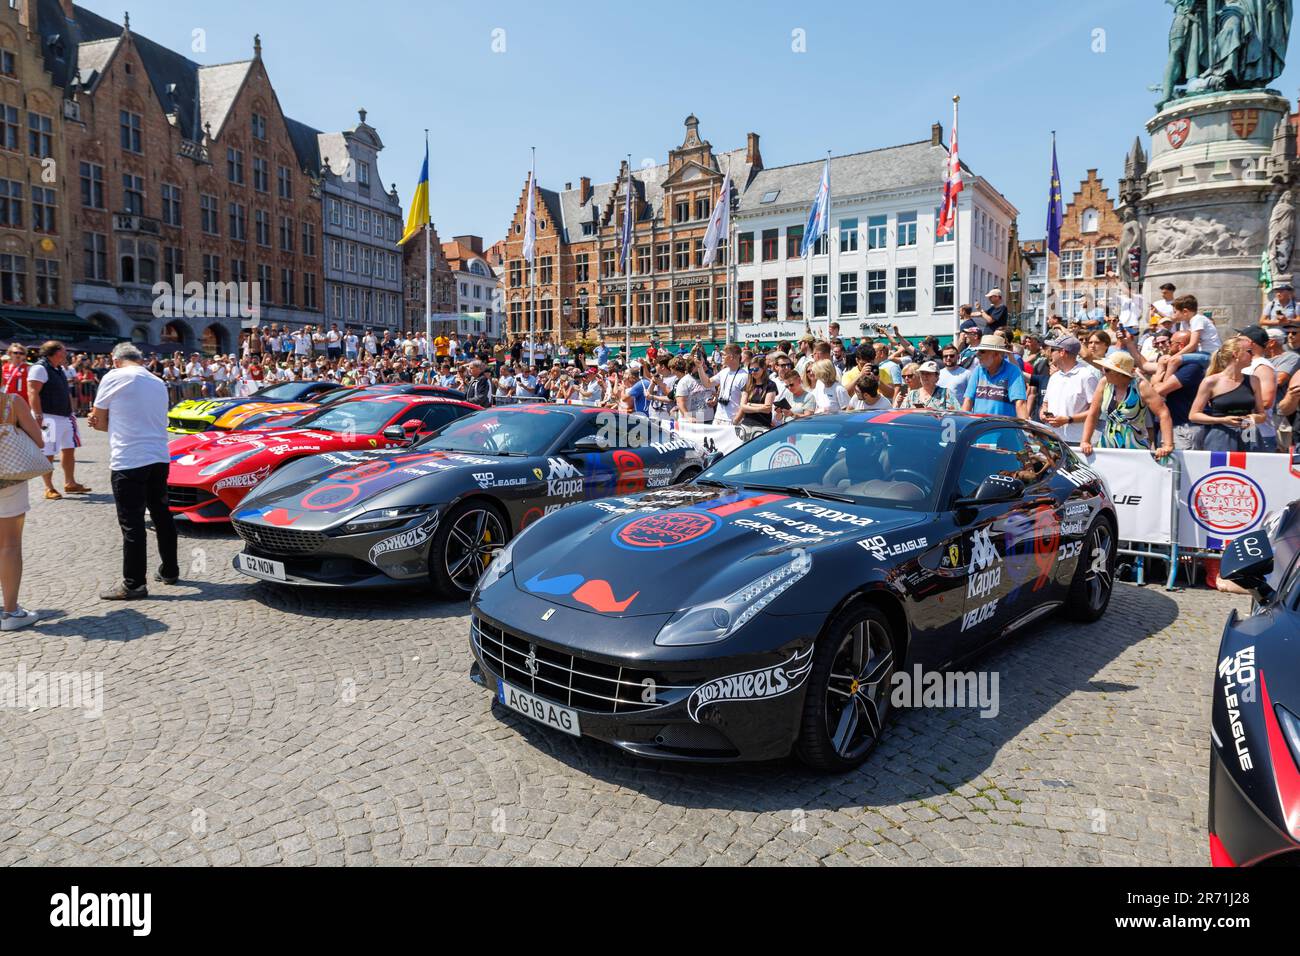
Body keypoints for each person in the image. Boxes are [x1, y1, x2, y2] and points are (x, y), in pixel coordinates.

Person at [88, 343, 178, 600]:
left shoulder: (113, 377)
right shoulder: (157, 381)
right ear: (140, 360)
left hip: (129, 459)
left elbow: (100, 421)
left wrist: (99, 424)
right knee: (162, 514)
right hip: (159, 456)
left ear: (115, 360)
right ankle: (170, 570)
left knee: (132, 523)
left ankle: (134, 583)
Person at [0, 385, 46, 630]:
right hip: (7, 479)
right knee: (9, 545)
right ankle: (10, 612)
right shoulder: (11, 402)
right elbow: (39, 440)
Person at [1079, 351, 1174, 459]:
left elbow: (1163, 413)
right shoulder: (1104, 383)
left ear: (1119, 372)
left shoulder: (1141, 386)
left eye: (1107, 369)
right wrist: (1085, 441)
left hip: (1136, 451)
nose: (1103, 371)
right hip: (1106, 448)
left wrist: (1167, 445)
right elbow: (1093, 414)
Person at [27, 341, 90, 501]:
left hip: (65, 415)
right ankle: (49, 487)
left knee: (69, 449)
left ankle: (70, 483)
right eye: (63, 351)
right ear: (55, 352)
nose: (66, 354)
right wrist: (38, 415)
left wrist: (71, 411)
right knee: (48, 453)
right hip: (48, 417)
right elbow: (33, 391)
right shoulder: (39, 368)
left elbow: (66, 392)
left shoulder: (59, 368)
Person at [1188, 341, 1265, 453]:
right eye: (1249, 351)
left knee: (1252, 469)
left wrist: (1252, 418)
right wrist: (1222, 420)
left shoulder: (1254, 380)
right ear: (1235, 354)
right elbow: (1193, 415)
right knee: (1222, 469)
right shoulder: (1211, 381)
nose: (1253, 355)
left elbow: (1262, 415)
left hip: (1249, 433)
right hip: (1221, 434)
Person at [1148, 330, 1206, 450]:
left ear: (1181, 345)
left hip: (1184, 429)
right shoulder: (1175, 365)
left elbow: (1159, 391)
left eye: (1171, 342)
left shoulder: (1192, 368)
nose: (1168, 345)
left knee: (1183, 468)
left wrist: (1155, 381)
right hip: (1170, 426)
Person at [1039, 336, 1100, 444]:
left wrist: (1068, 419)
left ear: (1062, 352)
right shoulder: (1054, 377)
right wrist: (1043, 413)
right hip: (1051, 437)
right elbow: (1045, 404)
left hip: (1075, 441)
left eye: (1053, 350)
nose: (1050, 353)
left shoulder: (1086, 376)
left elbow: (1095, 412)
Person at [962, 335, 1028, 418]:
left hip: (1003, 429)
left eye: (982, 351)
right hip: (979, 428)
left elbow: (1020, 403)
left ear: (996, 354)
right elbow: (968, 400)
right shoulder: (978, 370)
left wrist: (1025, 429)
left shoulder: (1013, 371)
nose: (977, 354)